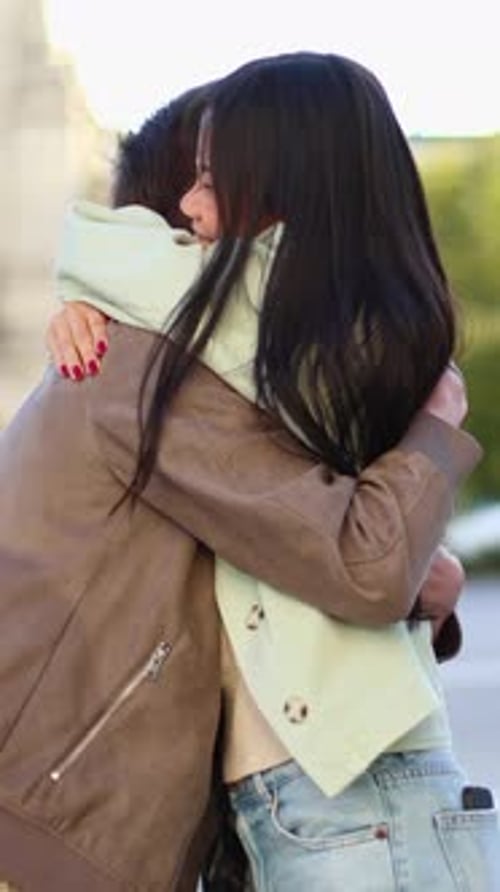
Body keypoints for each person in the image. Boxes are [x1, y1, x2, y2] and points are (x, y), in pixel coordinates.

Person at [45, 54, 499, 891]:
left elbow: (107, 249)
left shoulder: (291, 332)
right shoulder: (314, 334)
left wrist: (94, 295)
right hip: (329, 798)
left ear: (281, 182)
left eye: (211, 182)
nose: (186, 211)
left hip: (351, 797)